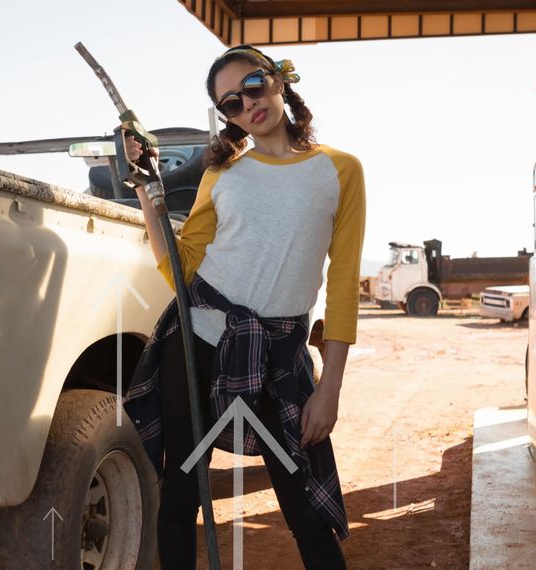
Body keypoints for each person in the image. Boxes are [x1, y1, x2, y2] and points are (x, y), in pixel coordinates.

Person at [122, 45, 365, 570]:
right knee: (182, 491)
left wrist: (330, 387)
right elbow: (182, 268)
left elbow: (344, 284)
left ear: (279, 80)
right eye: (230, 103)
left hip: (278, 356)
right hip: (197, 343)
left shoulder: (341, 171)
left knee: (303, 504)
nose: (247, 104)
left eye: (253, 85)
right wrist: (147, 189)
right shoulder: (224, 171)